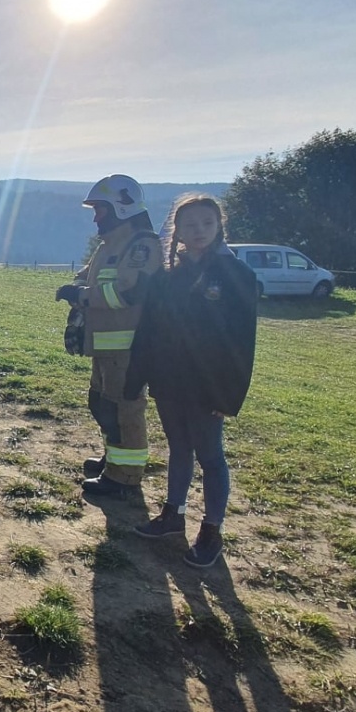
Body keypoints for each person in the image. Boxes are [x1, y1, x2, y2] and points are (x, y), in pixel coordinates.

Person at [125, 194, 258, 567]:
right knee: (179, 448)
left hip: (208, 388)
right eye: (189, 225)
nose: (198, 232)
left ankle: (212, 531)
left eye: (206, 224)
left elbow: (241, 342)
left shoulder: (237, 276)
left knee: (211, 456)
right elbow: (150, 330)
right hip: (170, 382)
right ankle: (173, 514)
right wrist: (141, 378)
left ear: (219, 227)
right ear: (177, 232)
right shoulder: (169, 276)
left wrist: (227, 395)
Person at [57, 174, 162, 500]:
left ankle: (125, 477)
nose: (95, 217)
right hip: (104, 346)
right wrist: (77, 289)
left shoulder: (142, 245)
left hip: (126, 348)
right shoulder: (110, 245)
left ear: (121, 207)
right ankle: (113, 459)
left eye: (100, 209)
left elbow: (127, 294)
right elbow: (86, 276)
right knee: (102, 405)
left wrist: (82, 296)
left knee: (124, 410)